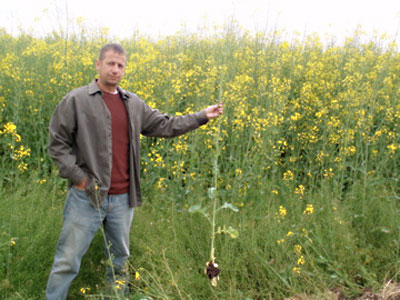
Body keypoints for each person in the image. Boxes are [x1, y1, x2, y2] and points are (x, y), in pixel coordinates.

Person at [45, 43, 223, 299]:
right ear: (98, 65)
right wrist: (79, 178)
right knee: (67, 261)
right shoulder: (77, 100)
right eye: (110, 64)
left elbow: (166, 125)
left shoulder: (132, 103)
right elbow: (57, 143)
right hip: (87, 197)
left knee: (119, 263)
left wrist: (201, 116)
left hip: (122, 200)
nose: (116, 70)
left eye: (121, 65)